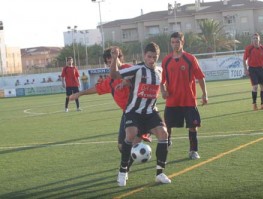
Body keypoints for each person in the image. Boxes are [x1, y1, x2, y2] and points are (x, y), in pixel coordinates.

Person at [110, 43, 171, 186]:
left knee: (164, 134)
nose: (151, 60)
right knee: (130, 135)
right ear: (144, 56)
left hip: (150, 111)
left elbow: (162, 82)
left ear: (157, 57)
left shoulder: (160, 71)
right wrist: (114, 59)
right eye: (149, 57)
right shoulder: (137, 69)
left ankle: (160, 173)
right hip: (134, 111)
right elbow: (114, 75)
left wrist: (163, 90)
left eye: (154, 57)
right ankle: (123, 171)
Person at [69, 47, 151, 153]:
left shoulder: (130, 69)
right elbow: (97, 88)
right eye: (109, 62)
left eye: (113, 60)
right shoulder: (111, 79)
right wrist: (79, 93)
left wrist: (127, 82)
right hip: (127, 113)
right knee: (122, 146)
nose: (112, 64)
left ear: (119, 58)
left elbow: (143, 78)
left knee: (133, 142)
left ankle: (148, 131)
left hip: (139, 111)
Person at [160, 32, 208, 160]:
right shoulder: (166, 60)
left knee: (193, 126)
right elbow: (162, 80)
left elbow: (200, 77)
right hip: (172, 100)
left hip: (188, 100)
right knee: (168, 126)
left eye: (177, 42)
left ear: (182, 42)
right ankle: (167, 142)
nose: (175, 45)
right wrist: (163, 91)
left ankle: (193, 150)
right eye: (173, 42)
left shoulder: (190, 59)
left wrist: (204, 94)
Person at [243, 33, 263, 111]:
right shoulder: (248, 48)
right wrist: (245, 69)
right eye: (254, 38)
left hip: (261, 69)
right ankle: (254, 104)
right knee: (255, 87)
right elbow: (244, 59)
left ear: (259, 40)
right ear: (252, 40)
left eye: (256, 38)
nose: (255, 40)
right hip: (252, 69)